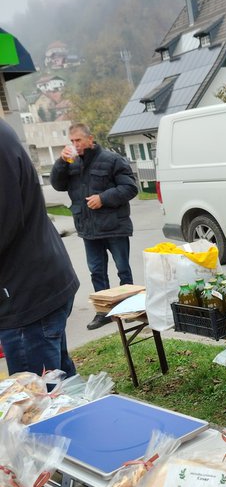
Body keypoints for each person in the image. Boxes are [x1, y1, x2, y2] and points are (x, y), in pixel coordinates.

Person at [0, 119, 79, 378]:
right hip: (38, 286)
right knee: (60, 389)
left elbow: (5, 220)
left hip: (26, 296)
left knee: (35, 400)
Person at [50, 122, 138, 330]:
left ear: (90, 139)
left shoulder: (112, 159)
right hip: (88, 228)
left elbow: (130, 187)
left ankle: (131, 307)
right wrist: (61, 162)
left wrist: (103, 198)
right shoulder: (70, 163)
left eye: (78, 140)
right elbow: (58, 185)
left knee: (123, 269)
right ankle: (104, 312)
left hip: (114, 226)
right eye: (71, 141)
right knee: (96, 271)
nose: (75, 144)